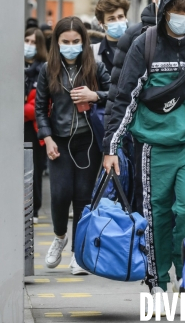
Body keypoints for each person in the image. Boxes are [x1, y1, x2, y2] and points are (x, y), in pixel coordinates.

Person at [103, 0, 185, 308]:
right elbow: (123, 97)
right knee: (157, 216)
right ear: (164, 10)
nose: (183, 17)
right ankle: (158, 281)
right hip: (153, 149)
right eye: (177, 10)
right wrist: (111, 147)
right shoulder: (146, 45)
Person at [35, 17, 111, 275]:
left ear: (84, 41)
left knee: (82, 198)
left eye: (76, 41)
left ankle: (78, 253)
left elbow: (117, 94)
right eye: (65, 42)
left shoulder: (95, 68)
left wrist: (95, 95)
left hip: (88, 142)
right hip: (59, 141)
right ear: (56, 42)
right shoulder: (47, 69)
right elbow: (40, 108)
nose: (70, 46)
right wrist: (47, 138)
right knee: (59, 195)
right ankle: (59, 236)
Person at [103, 0, 178, 133]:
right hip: (141, 129)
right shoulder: (134, 36)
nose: (168, 1)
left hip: (181, 130)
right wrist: (111, 137)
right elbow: (118, 89)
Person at [24, 27, 48, 224]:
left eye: (34, 42)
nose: (29, 46)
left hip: (35, 129)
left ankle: (34, 209)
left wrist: (21, 111)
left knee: (35, 170)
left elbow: (41, 103)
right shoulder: (14, 67)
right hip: (18, 129)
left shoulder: (44, 70)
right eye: (27, 41)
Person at [93, 0, 131, 75]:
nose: (118, 22)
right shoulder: (94, 53)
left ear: (126, 18)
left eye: (120, 17)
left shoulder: (138, 46)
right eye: (111, 19)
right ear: (101, 24)